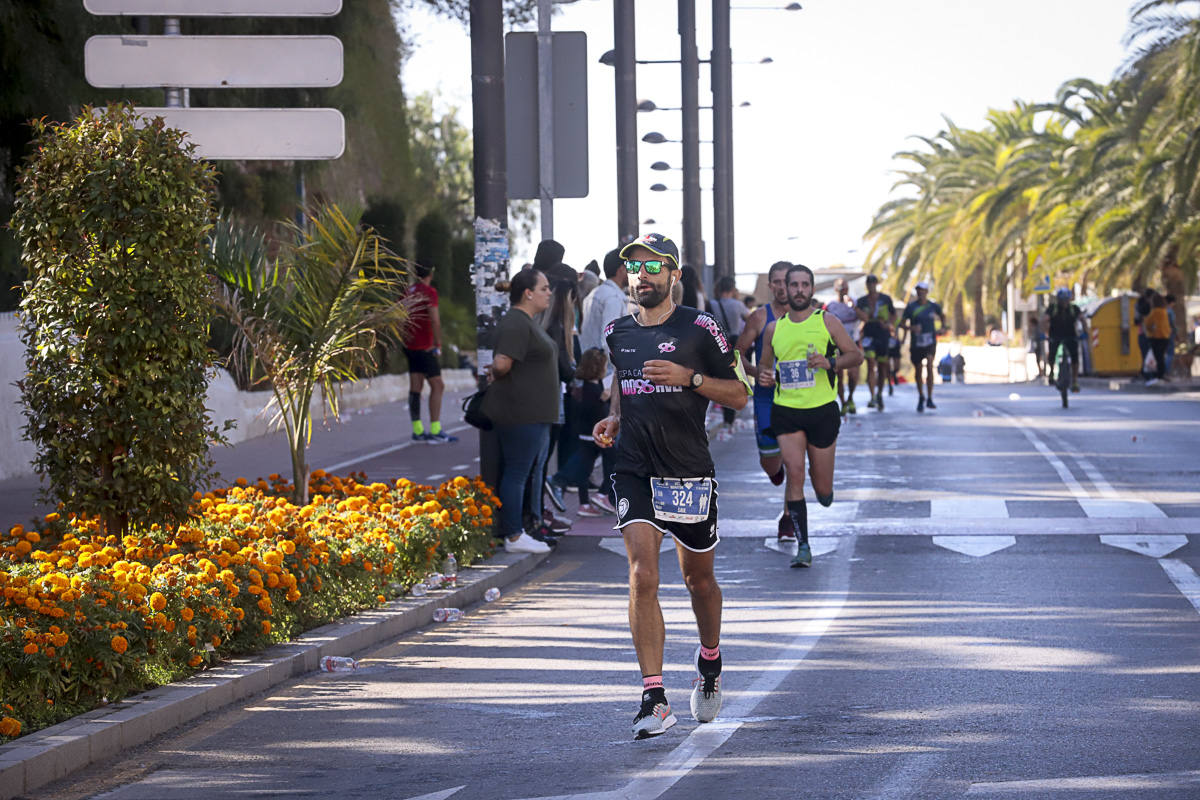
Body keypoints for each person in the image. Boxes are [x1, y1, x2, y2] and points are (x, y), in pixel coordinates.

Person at [592, 232, 751, 740]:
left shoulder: (701, 328)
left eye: (654, 267)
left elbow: (741, 394)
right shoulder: (618, 332)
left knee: (697, 581)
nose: (643, 275)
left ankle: (709, 660)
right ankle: (654, 697)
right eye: (634, 267)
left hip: (687, 470)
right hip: (634, 467)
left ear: (674, 274)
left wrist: (691, 379)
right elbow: (625, 383)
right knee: (642, 575)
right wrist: (615, 419)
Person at [757, 264, 862, 568]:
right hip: (787, 411)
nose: (799, 290)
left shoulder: (827, 321)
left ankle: (825, 493)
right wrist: (766, 377)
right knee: (794, 473)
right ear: (785, 290)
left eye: (805, 285)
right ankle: (804, 546)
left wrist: (829, 362)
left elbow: (856, 355)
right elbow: (765, 368)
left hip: (822, 412)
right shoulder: (774, 329)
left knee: (823, 489)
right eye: (794, 285)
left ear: (812, 290)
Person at [482, 269, 558, 554]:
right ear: (528, 293)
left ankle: (518, 530)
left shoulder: (526, 321)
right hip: (520, 413)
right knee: (517, 473)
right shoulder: (516, 321)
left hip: (533, 413)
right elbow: (502, 362)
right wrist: (496, 370)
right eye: (544, 288)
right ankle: (513, 535)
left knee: (521, 473)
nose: (548, 293)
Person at [734, 261, 794, 540]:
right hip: (767, 397)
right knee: (771, 463)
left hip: (800, 398)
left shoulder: (810, 316)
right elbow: (737, 355)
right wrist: (758, 372)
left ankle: (788, 517)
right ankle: (775, 471)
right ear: (770, 286)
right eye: (778, 282)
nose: (783, 287)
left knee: (797, 459)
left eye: (788, 282)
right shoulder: (759, 317)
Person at [548, 347, 616, 516]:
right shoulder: (594, 390)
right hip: (596, 434)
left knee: (584, 468)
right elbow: (595, 411)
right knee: (615, 460)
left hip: (584, 433)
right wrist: (604, 400)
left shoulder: (582, 385)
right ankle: (602, 494)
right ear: (598, 368)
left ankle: (584, 504)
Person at [403, 264, 457, 444]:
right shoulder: (429, 292)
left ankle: (417, 430)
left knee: (415, 386)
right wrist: (438, 343)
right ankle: (435, 429)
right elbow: (434, 319)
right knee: (438, 386)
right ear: (430, 274)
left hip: (409, 345)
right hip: (425, 345)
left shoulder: (408, 291)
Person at [710, 275, 751, 435]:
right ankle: (729, 418)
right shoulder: (738, 305)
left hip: (715, 345)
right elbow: (750, 320)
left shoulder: (712, 304)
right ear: (732, 289)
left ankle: (718, 409)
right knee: (733, 379)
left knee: (718, 379)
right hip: (734, 345)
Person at [900, 281, 946, 412]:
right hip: (916, 343)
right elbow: (901, 324)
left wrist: (942, 328)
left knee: (930, 365)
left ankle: (930, 397)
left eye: (923, 290)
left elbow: (942, 316)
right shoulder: (911, 307)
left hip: (930, 341)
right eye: (918, 290)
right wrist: (911, 327)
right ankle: (921, 396)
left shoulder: (933, 306)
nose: (921, 293)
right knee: (918, 370)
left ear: (927, 292)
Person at [855, 275, 896, 411]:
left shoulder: (885, 299)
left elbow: (893, 314)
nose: (871, 285)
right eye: (869, 283)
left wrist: (889, 324)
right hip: (868, 335)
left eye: (873, 283)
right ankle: (872, 395)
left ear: (877, 284)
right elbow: (858, 316)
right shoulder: (862, 301)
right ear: (866, 285)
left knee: (883, 365)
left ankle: (879, 394)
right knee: (871, 362)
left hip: (883, 335)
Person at [580, 248, 631, 353]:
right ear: (621, 269)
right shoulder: (613, 298)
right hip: (604, 367)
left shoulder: (595, 293)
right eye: (630, 267)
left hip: (589, 363)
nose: (633, 272)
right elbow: (609, 340)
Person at [824, 278, 860, 415]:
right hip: (836, 345)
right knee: (838, 374)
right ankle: (843, 402)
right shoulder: (830, 305)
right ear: (835, 290)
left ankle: (851, 397)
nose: (843, 291)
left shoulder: (854, 302)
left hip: (852, 343)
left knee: (853, 373)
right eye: (840, 289)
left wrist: (853, 306)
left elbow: (865, 318)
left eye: (845, 288)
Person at [1043, 288, 1081, 391]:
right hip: (1055, 336)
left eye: (1066, 299)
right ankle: (1051, 373)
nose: (1064, 302)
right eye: (1062, 300)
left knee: (1075, 358)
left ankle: (1075, 381)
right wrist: (1046, 334)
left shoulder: (1074, 308)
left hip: (1071, 335)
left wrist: (1086, 333)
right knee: (1052, 354)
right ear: (1058, 300)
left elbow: (1082, 319)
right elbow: (1045, 320)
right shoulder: (1052, 308)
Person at [1145, 293, 1171, 384]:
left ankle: (1158, 375)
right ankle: (1162, 375)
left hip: (1156, 337)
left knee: (1158, 357)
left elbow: (1147, 323)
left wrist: (1150, 332)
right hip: (1165, 337)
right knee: (1161, 357)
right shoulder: (1164, 311)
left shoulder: (1154, 311)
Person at [1028, 313, 1046, 378]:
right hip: (1037, 346)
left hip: (1039, 345)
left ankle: (1042, 372)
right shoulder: (1035, 328)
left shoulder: (1037, 328)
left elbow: (1036, 337)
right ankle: (1041, 372)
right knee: (1038, 359)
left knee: (1039, 359)